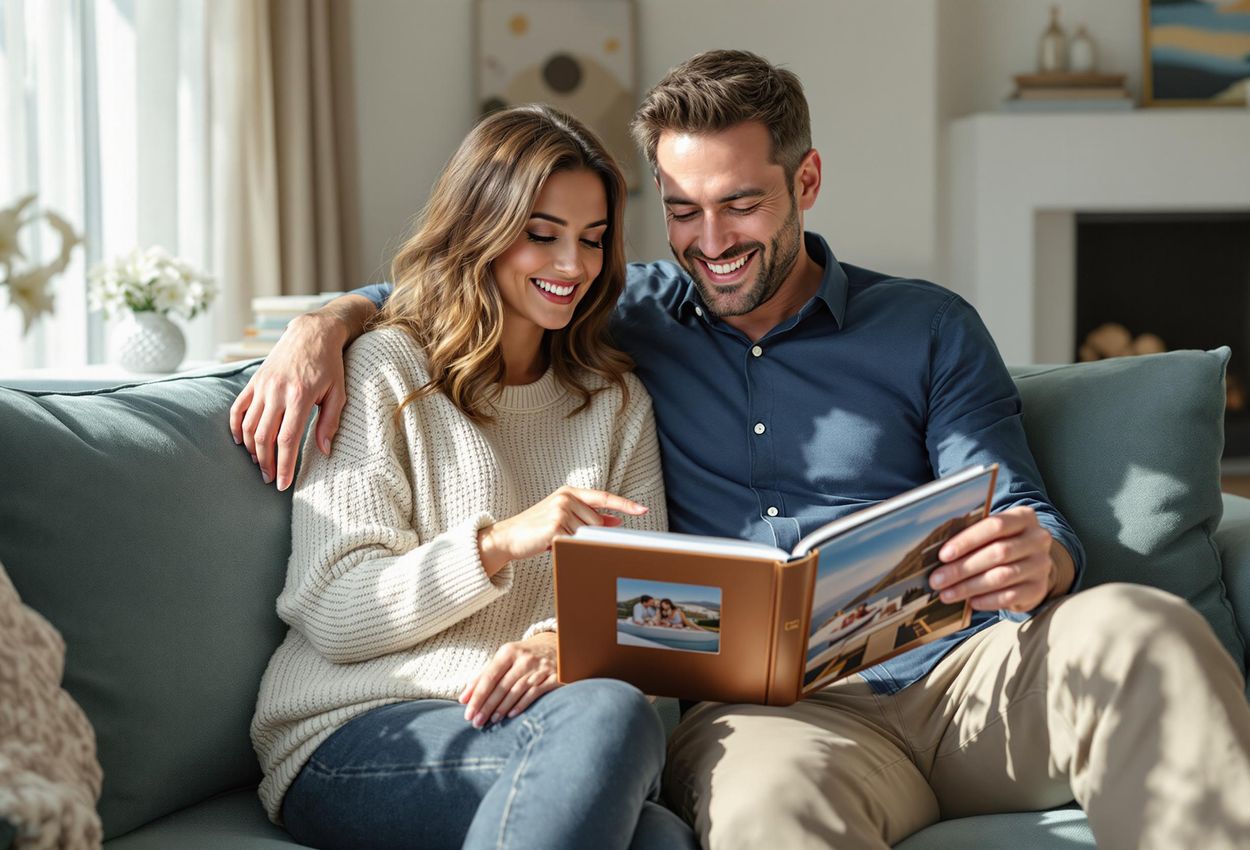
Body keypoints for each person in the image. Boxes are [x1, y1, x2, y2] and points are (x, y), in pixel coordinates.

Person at [235, 52, 1250, 849]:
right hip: (775, 721)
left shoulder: (927, 326)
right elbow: (468, 278)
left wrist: (1042, 554)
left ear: (805, 179)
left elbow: (1021, 504)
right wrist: (322, 325)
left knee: (1142, 630)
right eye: (682, 211)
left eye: (741, 203)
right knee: (761, 812)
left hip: (968, 675)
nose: (711, 240)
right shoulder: (625, 315)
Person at [249, 104, 697, 850]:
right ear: (481, 228)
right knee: (615, 717)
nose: (572, 266)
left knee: (662, 839)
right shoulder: (385, 371)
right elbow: (334, 609)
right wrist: (500, 543)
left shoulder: (615, 401)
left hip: (542, 725)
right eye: (541, 235)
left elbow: (645, 610)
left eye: (592, 239)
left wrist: (561, 644)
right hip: (357, 731)